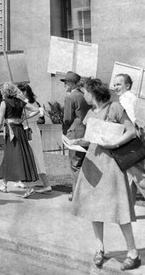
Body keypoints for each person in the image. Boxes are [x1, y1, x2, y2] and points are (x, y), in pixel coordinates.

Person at [71, 78, 141, 271]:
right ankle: (99, 248)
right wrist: (77, 141)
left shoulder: (115, 108)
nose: (83, 95)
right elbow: (90, 138)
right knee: (94, 207)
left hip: (111, 163)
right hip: (93, 162)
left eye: (85, 91)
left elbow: (131, 131)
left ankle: (133, 253)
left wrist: (115, 144)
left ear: (93, 92)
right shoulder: (90, 113)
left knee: (119, 208)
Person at [0, 82, 38, 197]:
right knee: (11, 156)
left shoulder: (4, 103)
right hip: (19, 130)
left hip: (11, 132)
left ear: (5, 92)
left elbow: (0, 121)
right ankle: (4, 184)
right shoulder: (20, 101)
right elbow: (36, 110)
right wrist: (24, 117)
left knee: (16, 157)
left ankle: (28, 188)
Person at [114, 74, 145, 203]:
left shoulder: (126, 99)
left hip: (131, 143)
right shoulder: (132, 98)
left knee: (139, 177)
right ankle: (129, 208)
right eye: (115, 84)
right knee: (131, 176)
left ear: (127, 85)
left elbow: (131, 121)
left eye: (119, 84)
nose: (115, 87)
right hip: (137, 141)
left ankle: (128, 208)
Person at [61, 71, 91, 201]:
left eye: (66, 82)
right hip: (86, 130)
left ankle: (77, 193)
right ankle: (86, 192)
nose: (65, 85)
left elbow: (67, 118)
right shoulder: (85, 96)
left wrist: (65, 132)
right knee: (84, 163)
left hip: (74, 131)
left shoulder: (70, 97)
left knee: (75, 164)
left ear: (72, 84)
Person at [17, 83, 51, 193]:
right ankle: (23, 180)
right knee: (26, 156)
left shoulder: (29, 103)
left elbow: (36, 115)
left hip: (30, 131)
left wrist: (24, 118)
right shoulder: (30, 102)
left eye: (19, 92)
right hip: (29, 130)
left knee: (36, 156)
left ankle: (46, 184)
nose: (18, 94)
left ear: (25, 92)